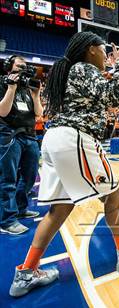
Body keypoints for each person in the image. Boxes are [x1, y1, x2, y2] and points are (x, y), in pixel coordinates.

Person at [9, 32, 119, 298]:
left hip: (54, 140)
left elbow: (95, 95)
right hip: (75, 138)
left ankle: (26, 272)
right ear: (90, 50)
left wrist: (110, 69)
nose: (106, 54)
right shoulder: (83, 68)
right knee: (114, 197)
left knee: (59, 209)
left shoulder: (66, 71)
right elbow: (113, 98)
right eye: (103, 50)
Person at [0, 55, 43, 235]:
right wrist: (11, 88)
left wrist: (36, 94)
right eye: (19, 66)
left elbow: (39, 114)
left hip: (29, 136)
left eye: (25, 66)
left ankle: (21, 208)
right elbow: (2, 111)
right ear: (9, 67)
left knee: (29, 176)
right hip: (10, 135)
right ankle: (7, 221)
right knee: (8, 179)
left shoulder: (27, 88)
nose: (23, 69)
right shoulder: (3, 83)